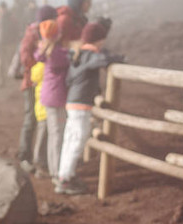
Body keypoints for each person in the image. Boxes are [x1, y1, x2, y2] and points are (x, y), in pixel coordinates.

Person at [56, 22, 125, 194]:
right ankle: (65, 180)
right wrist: (120, 59)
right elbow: (102, 60)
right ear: (98, 40)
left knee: (70, 139)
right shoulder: (92, 55)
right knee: (78, 139)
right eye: (102, 40)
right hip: (81, 104)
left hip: (72, 102)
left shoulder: (78, 54)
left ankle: (64, 174)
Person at [16, 5, 58, 172]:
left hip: (42, 83)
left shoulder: (42, 33)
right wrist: (40, 64)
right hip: (31, 83)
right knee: (31, 119)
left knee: (41, 120)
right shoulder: (33, 34)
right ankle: (24, 156)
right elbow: (25, 58)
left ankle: (40, 158)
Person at [34, 19, 69, 183]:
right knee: (57, 136)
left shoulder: (46, 50)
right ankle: (56, 173)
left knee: (53, 135)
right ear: (57, 34)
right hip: (56, 98)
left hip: (48, 97)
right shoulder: (57, 53)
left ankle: (53, 168)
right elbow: (71, 58)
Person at [0, 1, 18, 87]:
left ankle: (12, 79)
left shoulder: (12, 18)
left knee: (11, 62)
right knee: (0, 62)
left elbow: (16, 30)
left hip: (10, 43)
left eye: (4, 8)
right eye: (1, 8)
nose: (3, 9)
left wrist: (15, 40)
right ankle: (1, 81)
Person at [30, 60, 49, 178]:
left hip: (41, 107)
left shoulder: (38, 68)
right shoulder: (46, 67)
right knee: (43, 137)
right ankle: (40, 165)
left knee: (43, 135)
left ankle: (40, 163)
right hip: (45, 108)